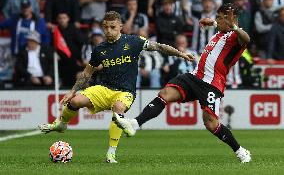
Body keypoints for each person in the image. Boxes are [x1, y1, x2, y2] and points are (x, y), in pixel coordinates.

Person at [38, 11, 195, 163]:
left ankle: (111, 153)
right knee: (75, 101)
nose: (108, 30)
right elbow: (87, 73)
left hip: (125, 91)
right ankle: (61, 124)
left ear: (120, 26)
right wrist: (72, 91)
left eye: (112, 27)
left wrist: (181, 54)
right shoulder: (99, 50)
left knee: (118, 109)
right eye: (105, 27)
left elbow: (159, 47)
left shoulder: (133, 41)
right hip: (104, 89)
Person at [114, 3, 252, 163]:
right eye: (218, 17)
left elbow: (246, 38)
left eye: (222, 18)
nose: (218, 20)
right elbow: (222, 27)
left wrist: (233, 26)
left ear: (233, 19)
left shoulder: (236, 37)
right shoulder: (220, 32)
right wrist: (213, 23)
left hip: (211, 84)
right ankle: (134, 124)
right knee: (165, 94)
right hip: (194, 77)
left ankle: (240, 151)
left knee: (212, 125)